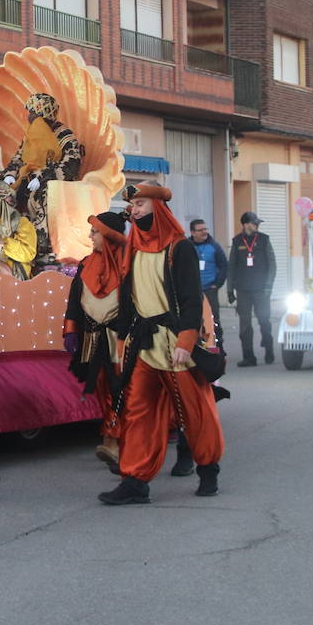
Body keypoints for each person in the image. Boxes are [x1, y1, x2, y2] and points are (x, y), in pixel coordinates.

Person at [102, 183, 224, 505]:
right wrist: (122, 337)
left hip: (175, 344)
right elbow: (127, 298)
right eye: (133, 205)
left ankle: (208, 468)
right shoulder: (133, 248)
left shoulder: (179, 248)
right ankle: (135, 482)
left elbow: (191, 299)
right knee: (138, 411)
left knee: (195, 412)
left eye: (141, 204)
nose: (135, 210)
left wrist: (187, 339)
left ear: (158, 207)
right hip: (144, 343)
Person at [65, 211, 129, 472]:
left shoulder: (129, 265)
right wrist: (71, 330)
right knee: (102, 386)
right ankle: (113, 436)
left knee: (123, 387)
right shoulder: (85, 264)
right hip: (92, 338)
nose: (90, 236)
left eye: (95, 232)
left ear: (109, 235)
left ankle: (117, 440)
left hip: (121, 340)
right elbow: (74, 300)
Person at [0, 93, 84, 264]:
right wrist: (9, 176)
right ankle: (8, 241)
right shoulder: (29, 136)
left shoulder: (64, 135)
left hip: (54, 186)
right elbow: (18, 159)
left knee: (42, 194)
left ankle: (43, 248)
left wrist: (42, 176)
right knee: (0, 193)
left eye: (32, 113)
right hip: (26, 181)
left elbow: (71, 164)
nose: (28, 117)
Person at [227, 211, 277, 367]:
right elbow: (232, 266)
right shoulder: (237, 241)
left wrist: (269, 285)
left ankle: (268, 346)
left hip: (261, 288)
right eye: (254, 223)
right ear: (246, 224)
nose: (257, 225)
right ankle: (249, 356)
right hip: (243, 289)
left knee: (263, 319)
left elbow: (272, 265)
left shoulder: (263, 240)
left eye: (257, 223)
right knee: (245, 324)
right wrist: (230, 290)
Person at [0, 179, 38, 279]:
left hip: (14, 276)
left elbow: (28, 253)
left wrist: (5, 243)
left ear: (3, 200)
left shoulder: (21, 223)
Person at [189, 219, 227, 336]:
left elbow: (224, 266)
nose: (204, 232)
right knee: (193, 322)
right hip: (192, 292)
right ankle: (197, 350)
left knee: (213, 322)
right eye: (200, 230)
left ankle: (218, 350)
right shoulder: (186, 247)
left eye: (205, 229)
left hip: (210, 290)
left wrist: (217, 284)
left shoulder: (214, 246)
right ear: (193, 232)